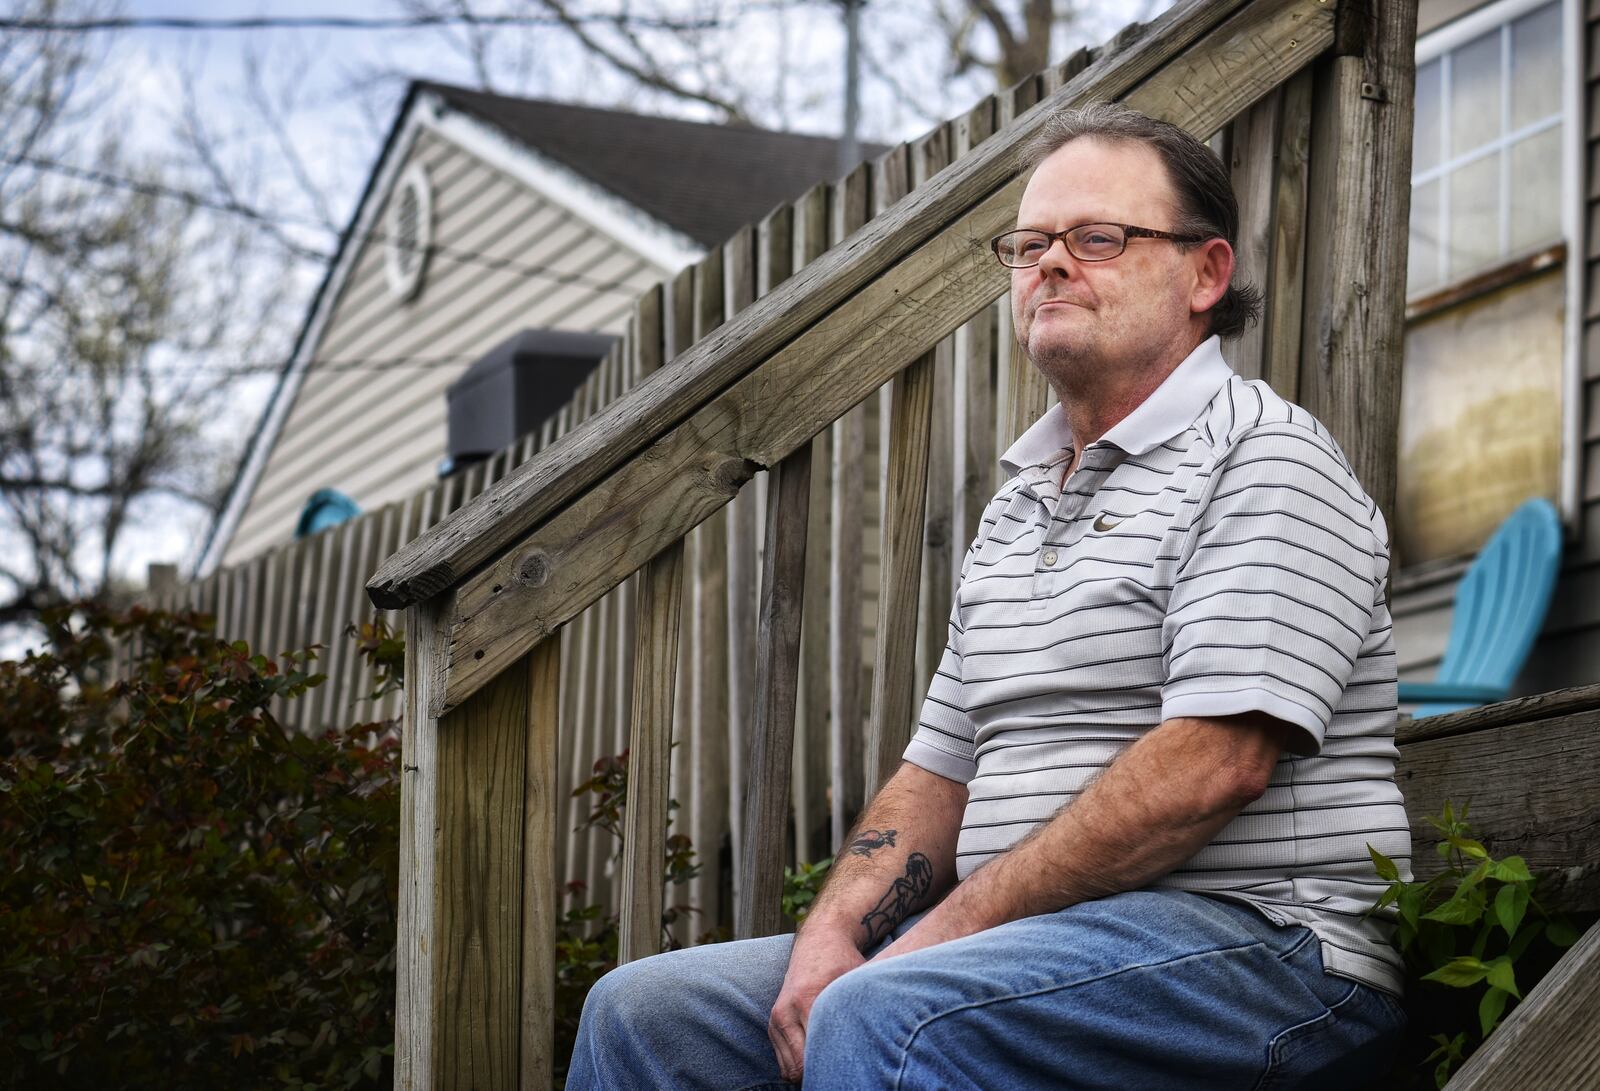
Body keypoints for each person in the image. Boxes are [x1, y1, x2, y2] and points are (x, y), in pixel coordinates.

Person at [567, 102, 1411, 1090]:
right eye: (1028, 243)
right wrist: (826, 941)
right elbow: (938, 774)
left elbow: (1209, 767)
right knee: (645, 1014)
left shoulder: (1265, 459)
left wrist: (935, 937)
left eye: (1097, 237)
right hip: (1040, 946)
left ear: (1203, 273)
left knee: (890, 1013)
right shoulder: (1018, 508)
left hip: (1270, 952)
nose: (1050, 263)